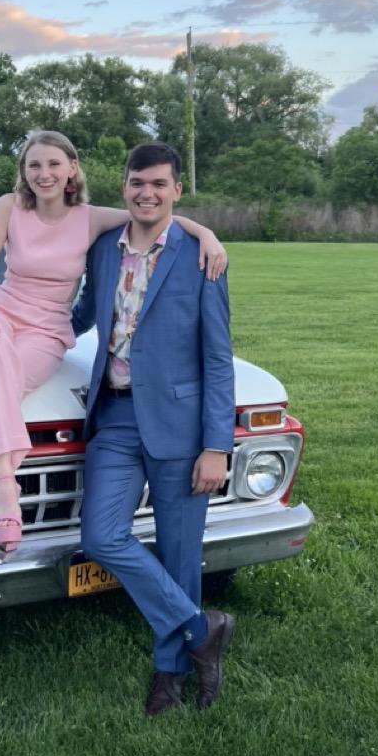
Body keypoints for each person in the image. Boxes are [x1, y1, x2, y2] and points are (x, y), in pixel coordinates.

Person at [0, 129, 227, 560]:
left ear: (72, 169)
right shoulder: (8, 207)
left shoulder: (90, 218)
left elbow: (152, 215)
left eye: (53, 164)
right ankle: (3, 490)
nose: (44, 174)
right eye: (34, 165)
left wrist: (205, 232)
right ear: (23, 172)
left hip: (46, 329)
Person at [70, 141, 236, 712]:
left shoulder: (199, 254)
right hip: (114, 417)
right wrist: (10, 326)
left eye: (160, 184)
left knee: (179, 552)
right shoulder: (102, 249)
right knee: (101, 535)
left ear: (176, 191)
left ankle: (170, 672)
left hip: (181, 426)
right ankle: (200, 629)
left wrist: (217, 445)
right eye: (138, 182)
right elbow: (78, 315)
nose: (148, 193)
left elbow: (218, 358)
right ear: (125, 185)